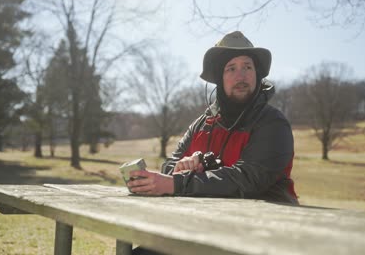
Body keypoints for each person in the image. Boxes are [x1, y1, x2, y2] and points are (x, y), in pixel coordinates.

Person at [127, 31, 298, 204]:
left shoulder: (273, 123)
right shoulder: (201, 125)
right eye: (231, 68)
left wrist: (178, 183)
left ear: (257, 74)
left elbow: (248, 179)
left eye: (247, 67)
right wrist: (184, 167)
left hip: (269, 226)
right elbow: (169, 167)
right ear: (219, 78)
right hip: (204, 224)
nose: (241, 76)